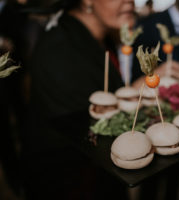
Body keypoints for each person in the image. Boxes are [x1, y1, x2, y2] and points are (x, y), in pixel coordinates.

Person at [22, 0, 136, 199]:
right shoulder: (59, 46)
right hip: (69, 182)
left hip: (102, 177)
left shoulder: (104, 37)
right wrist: (136, 91)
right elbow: (86, 126)